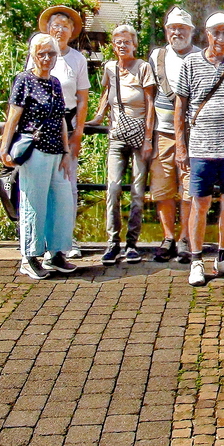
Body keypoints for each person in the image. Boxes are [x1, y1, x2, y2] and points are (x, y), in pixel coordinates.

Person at [175, 12, 224, 287]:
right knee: (200, 203)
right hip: (201, 148)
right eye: (216, 32)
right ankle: (196, 260)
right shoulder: (190, 63)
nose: (221, 38)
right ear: (207, 34)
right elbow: (180, 108)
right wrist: (181, 147)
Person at [0, 33, 77, 280]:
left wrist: (66, 152)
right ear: (33, 55)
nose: (46, 58)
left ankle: (55, 253)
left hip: (56, 151)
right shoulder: (24, 80)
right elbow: (13, 117)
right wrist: (4, 149)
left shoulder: (55, 82)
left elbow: (61, 119)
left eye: (51, 53)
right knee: (34, 203)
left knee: (61, 203)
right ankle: (29, 257)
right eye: (41, 53)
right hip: (35, 151)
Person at [87, 24, 156, 266]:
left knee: (137, 192)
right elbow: (106, 95)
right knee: (113, 188)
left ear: (134, 44)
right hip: (116, 136)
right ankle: (112, 242)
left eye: (127, 41)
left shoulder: (143, 67)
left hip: (139, 137)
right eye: (118, 42)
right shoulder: (109, 67)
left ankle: (132, 244)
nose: (123, 46)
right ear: (113, 46)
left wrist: (148, 139)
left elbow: (150, 104)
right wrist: (97, 118)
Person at [31, 7, 89, 259]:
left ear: (72, 31)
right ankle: (43, 241)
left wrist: (78, 133)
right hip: (40, 130)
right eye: (56, 25)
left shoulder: (77, 59)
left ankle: (67, 239)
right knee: (42, 186)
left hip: (67, 125)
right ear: (48, 28)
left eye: (65, 25)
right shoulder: (38, 55)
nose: (60, 30)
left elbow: (83, 98)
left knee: (67, 184)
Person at [148, 7, 200, 263]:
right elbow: (148, 95)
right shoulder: (156, 56)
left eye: (182, 28)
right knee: (163, 187)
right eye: (172, 28)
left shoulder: (201, 57)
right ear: (166, 30)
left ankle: (184, 238)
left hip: (194, 134)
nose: (177, 32)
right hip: (163, 132)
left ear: (191, 31)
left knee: (190, 189)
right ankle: (168, 237)